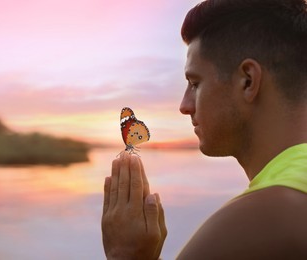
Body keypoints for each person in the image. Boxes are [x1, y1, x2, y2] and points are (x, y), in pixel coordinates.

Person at [101, 0, 307, 259]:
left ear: (248, 81)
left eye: (195, 83)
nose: (184, 106)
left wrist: (127, 254)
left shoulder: (259, 220)